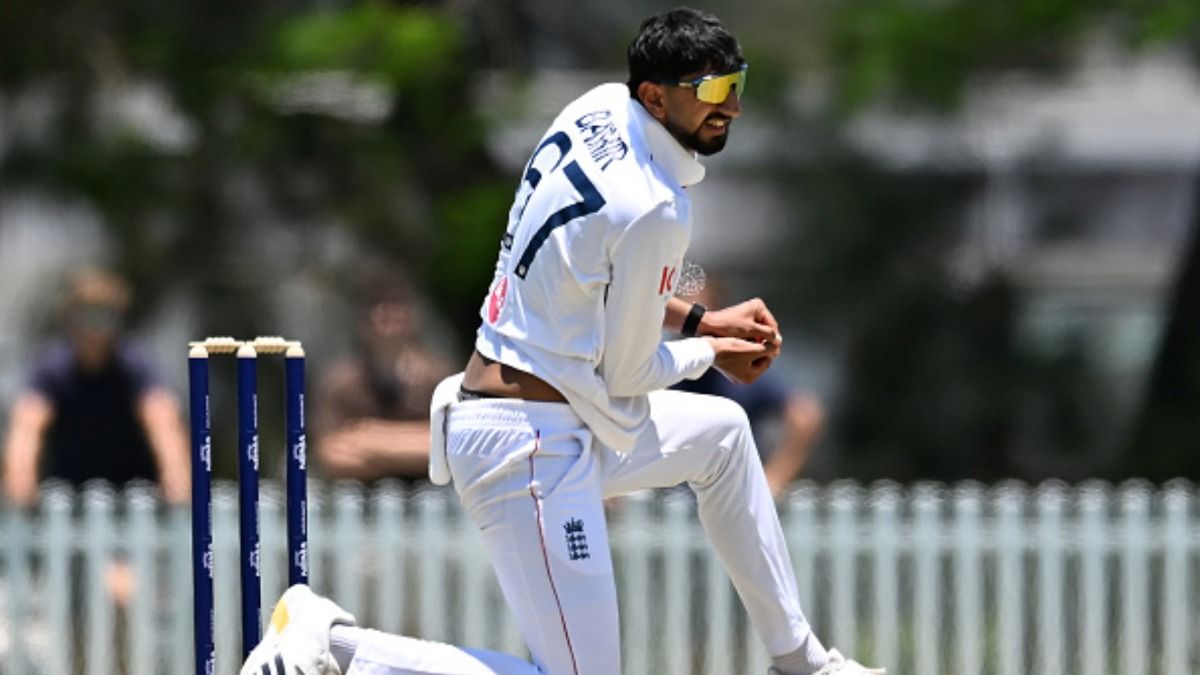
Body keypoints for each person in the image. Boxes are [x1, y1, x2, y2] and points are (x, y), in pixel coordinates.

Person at [242, 8, 883, 675]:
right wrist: (712, 353)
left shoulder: (597, 109)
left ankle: (804, 662)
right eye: (712, 90)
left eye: (736, 85)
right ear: (655, 96)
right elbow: (631, 373)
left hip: (550, 413)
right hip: (528, 442)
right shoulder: (655, 207)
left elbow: (593, 277)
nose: (732, 108)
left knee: (722, 435)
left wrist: (701, 321)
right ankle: (333, 643)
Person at [2, 267, 190, 609]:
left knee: (121, 596)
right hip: (67, 509)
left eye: (107, 317)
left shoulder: (135, 366)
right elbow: (27, 425)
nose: (97, 329)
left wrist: (177, 475)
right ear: (71, 320)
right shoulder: (53, 368)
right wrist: (19, 477)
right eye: (88, 316)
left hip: (131, 509)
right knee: (73, 609)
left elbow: (162, 419)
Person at [673, 277, 825, 496]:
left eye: (698, 317)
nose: (692, 329)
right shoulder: (665, 369)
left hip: (731, 499)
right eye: (685, 318)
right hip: (669, 507)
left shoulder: (738, 370)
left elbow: (805, 417)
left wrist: (774, 479)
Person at [312, 272, 455, 483]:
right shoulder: (340, 383)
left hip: (431, 505)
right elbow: (330, 456)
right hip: (356, 506)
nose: (388, 314)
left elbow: (455, 450)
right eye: (378, 306)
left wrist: (368, 439)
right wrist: (420, 441)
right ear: (363, 318)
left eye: (397, 305)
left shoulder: (438, 379)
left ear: (413, 315)